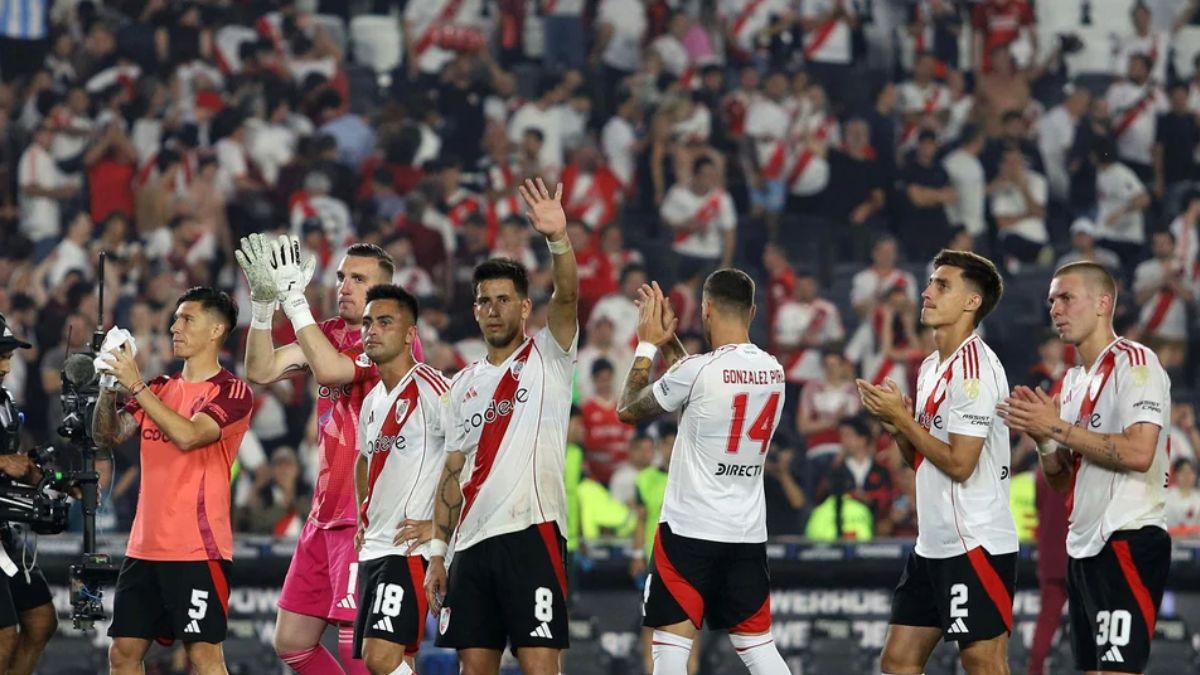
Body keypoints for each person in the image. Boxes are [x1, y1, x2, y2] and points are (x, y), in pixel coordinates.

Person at [423, 178, 578, 675]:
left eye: (504, 299)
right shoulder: (462, 384)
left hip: (532, 534)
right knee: (474, 670)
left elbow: (569, 297)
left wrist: (558, 239)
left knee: (540, 666)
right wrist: (437, 553)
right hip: (469, 543)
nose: (493, 309)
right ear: (474, 309)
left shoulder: (548, 357)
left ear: (525, 307)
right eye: (484, 300)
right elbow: (452, 471)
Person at [237, 236, 406, 675]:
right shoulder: (328, 332)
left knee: (364, 658)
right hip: (323, 515)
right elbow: (259, 370)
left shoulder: (393, 339)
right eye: (341, 276)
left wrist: (294, 301)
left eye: (358, 279)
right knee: (292, 642)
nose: (344, 286)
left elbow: (331, 369)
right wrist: (263, 307)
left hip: (366, 517)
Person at [999, 261, 1172, 674]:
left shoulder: (1136, 361)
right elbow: (1063, 482)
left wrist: (1056, 425)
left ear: (1102, 303)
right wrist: (1043, 440)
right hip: (1082, 549)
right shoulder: (1073, 382)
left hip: (1127, 538)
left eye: (1066, 298)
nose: (1055, 309)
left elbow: (1138, 452)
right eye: (1052, 301)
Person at [616, 270, 791, 675]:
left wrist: (646, 343)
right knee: (759, 648)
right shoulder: (774, 372)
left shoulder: (697, 371)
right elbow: (702, 384)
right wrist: (670, 343)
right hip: (746, 533)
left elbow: (628, 408)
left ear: (706, 308)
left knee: (671, 646)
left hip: (689, 532)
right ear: (752, 312)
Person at [856, 250, 1017, 674]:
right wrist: (896, 426)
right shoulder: (930, 366)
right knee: (898, 662)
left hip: (975, 541)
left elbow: (960, 463)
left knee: (982, 662)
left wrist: (903, 419)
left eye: (942, 285)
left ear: (972, 302)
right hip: (933, 544)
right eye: (930, 283)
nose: (926, 292)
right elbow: (921, 459)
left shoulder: (974, 370)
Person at [93, 287, 254, 675]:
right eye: (176, 317)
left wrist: (135, 385)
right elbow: (107, 436)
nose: (174, 326)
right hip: (144, 546)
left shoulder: (232, 391)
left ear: (217, 329)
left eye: (187, 318)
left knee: (203, 657)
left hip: (198, 548)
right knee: (123, 655)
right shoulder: (161, 387)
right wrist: (107, 386)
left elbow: (189, 434)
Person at [353, 284, 450, 675]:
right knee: (398, 660)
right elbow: (364, 459)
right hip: (375, 546)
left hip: (408, 550)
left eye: (384, 322)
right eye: (367, 322)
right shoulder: (372, 401)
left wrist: (438, 528)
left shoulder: (433, 387)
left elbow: (472, 454)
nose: (371, 331)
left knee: (381, 659)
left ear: (411, 334)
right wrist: (365, 513)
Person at [0, 314, 58, 675]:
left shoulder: (5, 401)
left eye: (8, 356)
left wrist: (46, 479)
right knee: (4, 634)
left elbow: (14, 468)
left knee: (40, 620)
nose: (5, 365)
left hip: (4, 531)